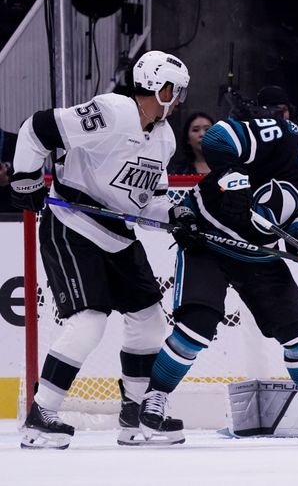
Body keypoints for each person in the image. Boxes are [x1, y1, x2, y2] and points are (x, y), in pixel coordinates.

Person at [137, 99, 298, 445]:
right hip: (207, 236)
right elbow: (218, 138)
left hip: (257, 255)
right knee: (197, 325)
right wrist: (232, 179)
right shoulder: (280, 135)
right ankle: (154, 399)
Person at [12, 50, 191, 449]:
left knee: (148, 319)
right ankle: (41, 416)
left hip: (117, 231)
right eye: (174, 91)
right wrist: (25, 178)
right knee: (89, 321)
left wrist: (176, 213)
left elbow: (148, 203)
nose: (178, 99)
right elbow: (36, 128)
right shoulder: (113, 112)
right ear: (159, 88)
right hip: (72, 223)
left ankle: (135, 414)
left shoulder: (164, 138)